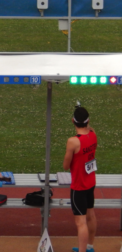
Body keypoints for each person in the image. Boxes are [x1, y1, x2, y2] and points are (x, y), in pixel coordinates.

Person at [63, 105, 97, 252]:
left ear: (73, 121)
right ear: (88, 121)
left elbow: (65, 166)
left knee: (80, 222)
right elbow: (89, 128)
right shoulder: (93, 135)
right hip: (90, 182)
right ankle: (90, 246)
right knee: (91, 214)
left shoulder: (73, 141)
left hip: (79, 185)